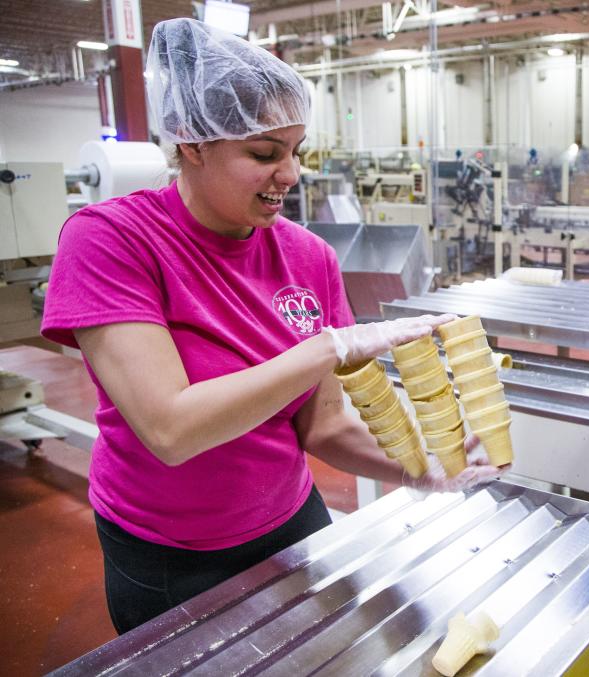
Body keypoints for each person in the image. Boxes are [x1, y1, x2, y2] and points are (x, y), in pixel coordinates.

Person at [41, 18, 502, 635]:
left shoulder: (308, 257)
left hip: (290, 519)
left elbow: (324, 423)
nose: (290, 174)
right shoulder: (111, 240)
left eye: (295, 151)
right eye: (263, 154)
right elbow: (170, 427)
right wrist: (328, 346)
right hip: (171, 551)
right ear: (192, 143)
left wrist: (421, 468)